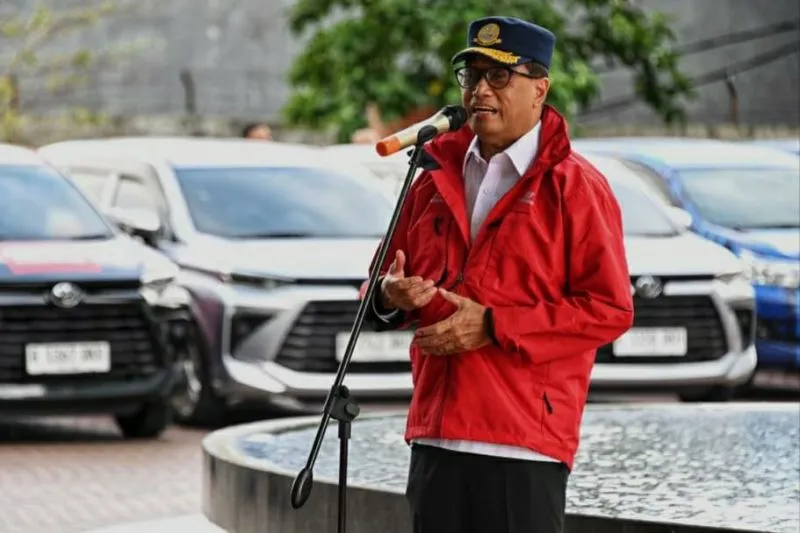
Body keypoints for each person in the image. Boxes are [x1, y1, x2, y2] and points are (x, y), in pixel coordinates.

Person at [363, 15, 634, 533]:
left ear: (540, 89)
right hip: (435, 437)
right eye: (472, 75)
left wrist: (492, 324)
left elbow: (609, 310)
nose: (481, 90)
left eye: (500, 75)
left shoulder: (576, 186)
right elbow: (375, 288)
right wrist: (389, 295)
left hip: (523, 445)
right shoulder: (430, 177)